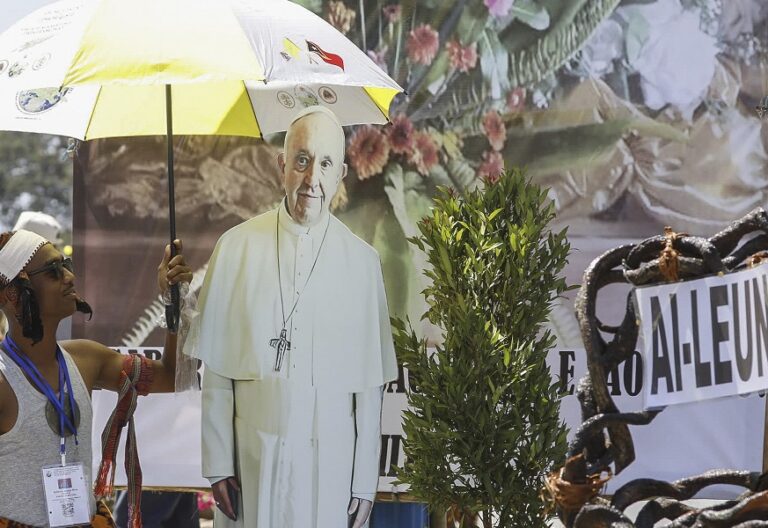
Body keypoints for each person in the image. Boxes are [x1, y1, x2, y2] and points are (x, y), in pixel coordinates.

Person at [188, 106, 398, 528]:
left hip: (331, 459)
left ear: (341, 172)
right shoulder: (236, 248)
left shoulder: (362, 262)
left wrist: (362, 484)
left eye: (323, 164)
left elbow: (369, 391)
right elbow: (217, 374)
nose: (311, 179)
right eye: (301, 161)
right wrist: (218, 464)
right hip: (253, 455)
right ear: (282, 166)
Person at [0, 230, 191, 527]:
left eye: (67, 265)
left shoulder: (86, 359)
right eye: (53, 270)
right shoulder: (3, 380)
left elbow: (172, 377)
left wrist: (172, 301)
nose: (69, 277)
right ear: (14, 293)